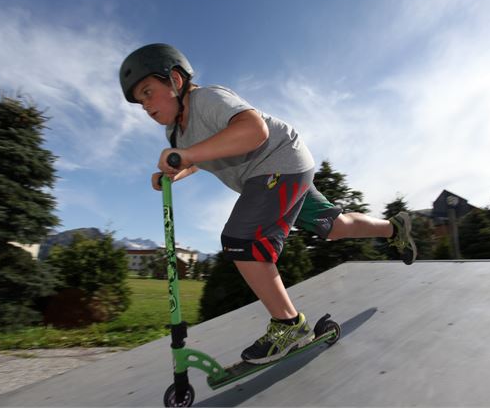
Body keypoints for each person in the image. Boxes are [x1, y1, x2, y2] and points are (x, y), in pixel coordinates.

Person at [119, 43, 417, 365]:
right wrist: (176, 172)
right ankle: (394, 228)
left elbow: (254, 130)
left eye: (148, 92)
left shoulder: (207, 99)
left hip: (279, 162)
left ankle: (289, 324)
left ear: (176, 80)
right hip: (276, 174)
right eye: (139, 101)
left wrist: (187, 154)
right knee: (333, 227)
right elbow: (199, 159)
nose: (145, 105)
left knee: (241, 239)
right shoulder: (174, 133)